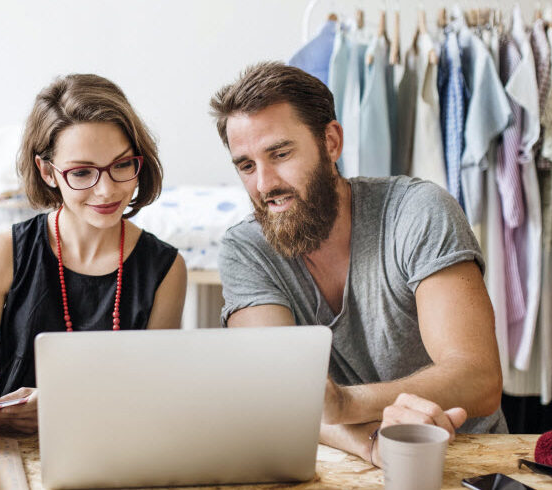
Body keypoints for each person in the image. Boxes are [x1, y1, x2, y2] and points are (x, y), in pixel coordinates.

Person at [209, 62, 505, 465]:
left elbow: (478, 377)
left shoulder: (417, 212)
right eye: (246, 165)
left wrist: (345, 403)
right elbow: (275, 394)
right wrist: (370, 444)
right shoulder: (246, 249)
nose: (263, 184)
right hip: (347, 464)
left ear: (331, 142)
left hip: (464, 458)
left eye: (280, 153)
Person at [0, 74, 187, 431]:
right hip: (6, 455)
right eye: (82, 172)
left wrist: (64, 410)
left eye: (122, 165)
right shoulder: (3, 254)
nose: (106, 190)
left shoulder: (166, 268)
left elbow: (158, 399)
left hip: (111, 456)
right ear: (48, 172)